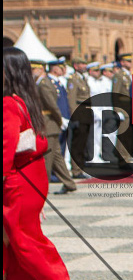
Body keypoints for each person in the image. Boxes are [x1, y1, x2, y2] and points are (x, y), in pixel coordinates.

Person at [3, 47, 104, 280]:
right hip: (28, 186)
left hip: (13, 189)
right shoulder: (26, 100)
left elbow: (5, 154)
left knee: (31, 252)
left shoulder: (8, 104)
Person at [32, 58, 77, 194]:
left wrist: (60, 120)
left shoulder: (44, 84)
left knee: (47, 157)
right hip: (51, 123)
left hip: (49, 123)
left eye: (33, 69)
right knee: (57, 157)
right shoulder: (44, 82)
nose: (31, 72)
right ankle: (69, 183)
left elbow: (52, 105)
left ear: (40, 69)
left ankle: (42, 187)